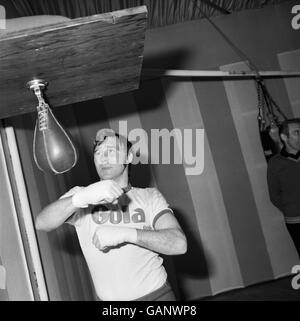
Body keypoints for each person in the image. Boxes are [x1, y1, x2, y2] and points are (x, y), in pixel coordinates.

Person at [35, 128, 187, 301]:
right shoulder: (82, 195)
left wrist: (127, 234)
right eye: (98, 152)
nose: (103, 158)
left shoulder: (150, 196)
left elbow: (179, 244)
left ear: (128, 157)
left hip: (157, 297)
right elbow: (42, 223)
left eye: (111, 151)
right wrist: (80, 198)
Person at [267, 118, 300, 257]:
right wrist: (291, 209)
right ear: (284, 137)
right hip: (295, 220)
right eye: (297, 132)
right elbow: (274, 196)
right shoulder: (275, 164)